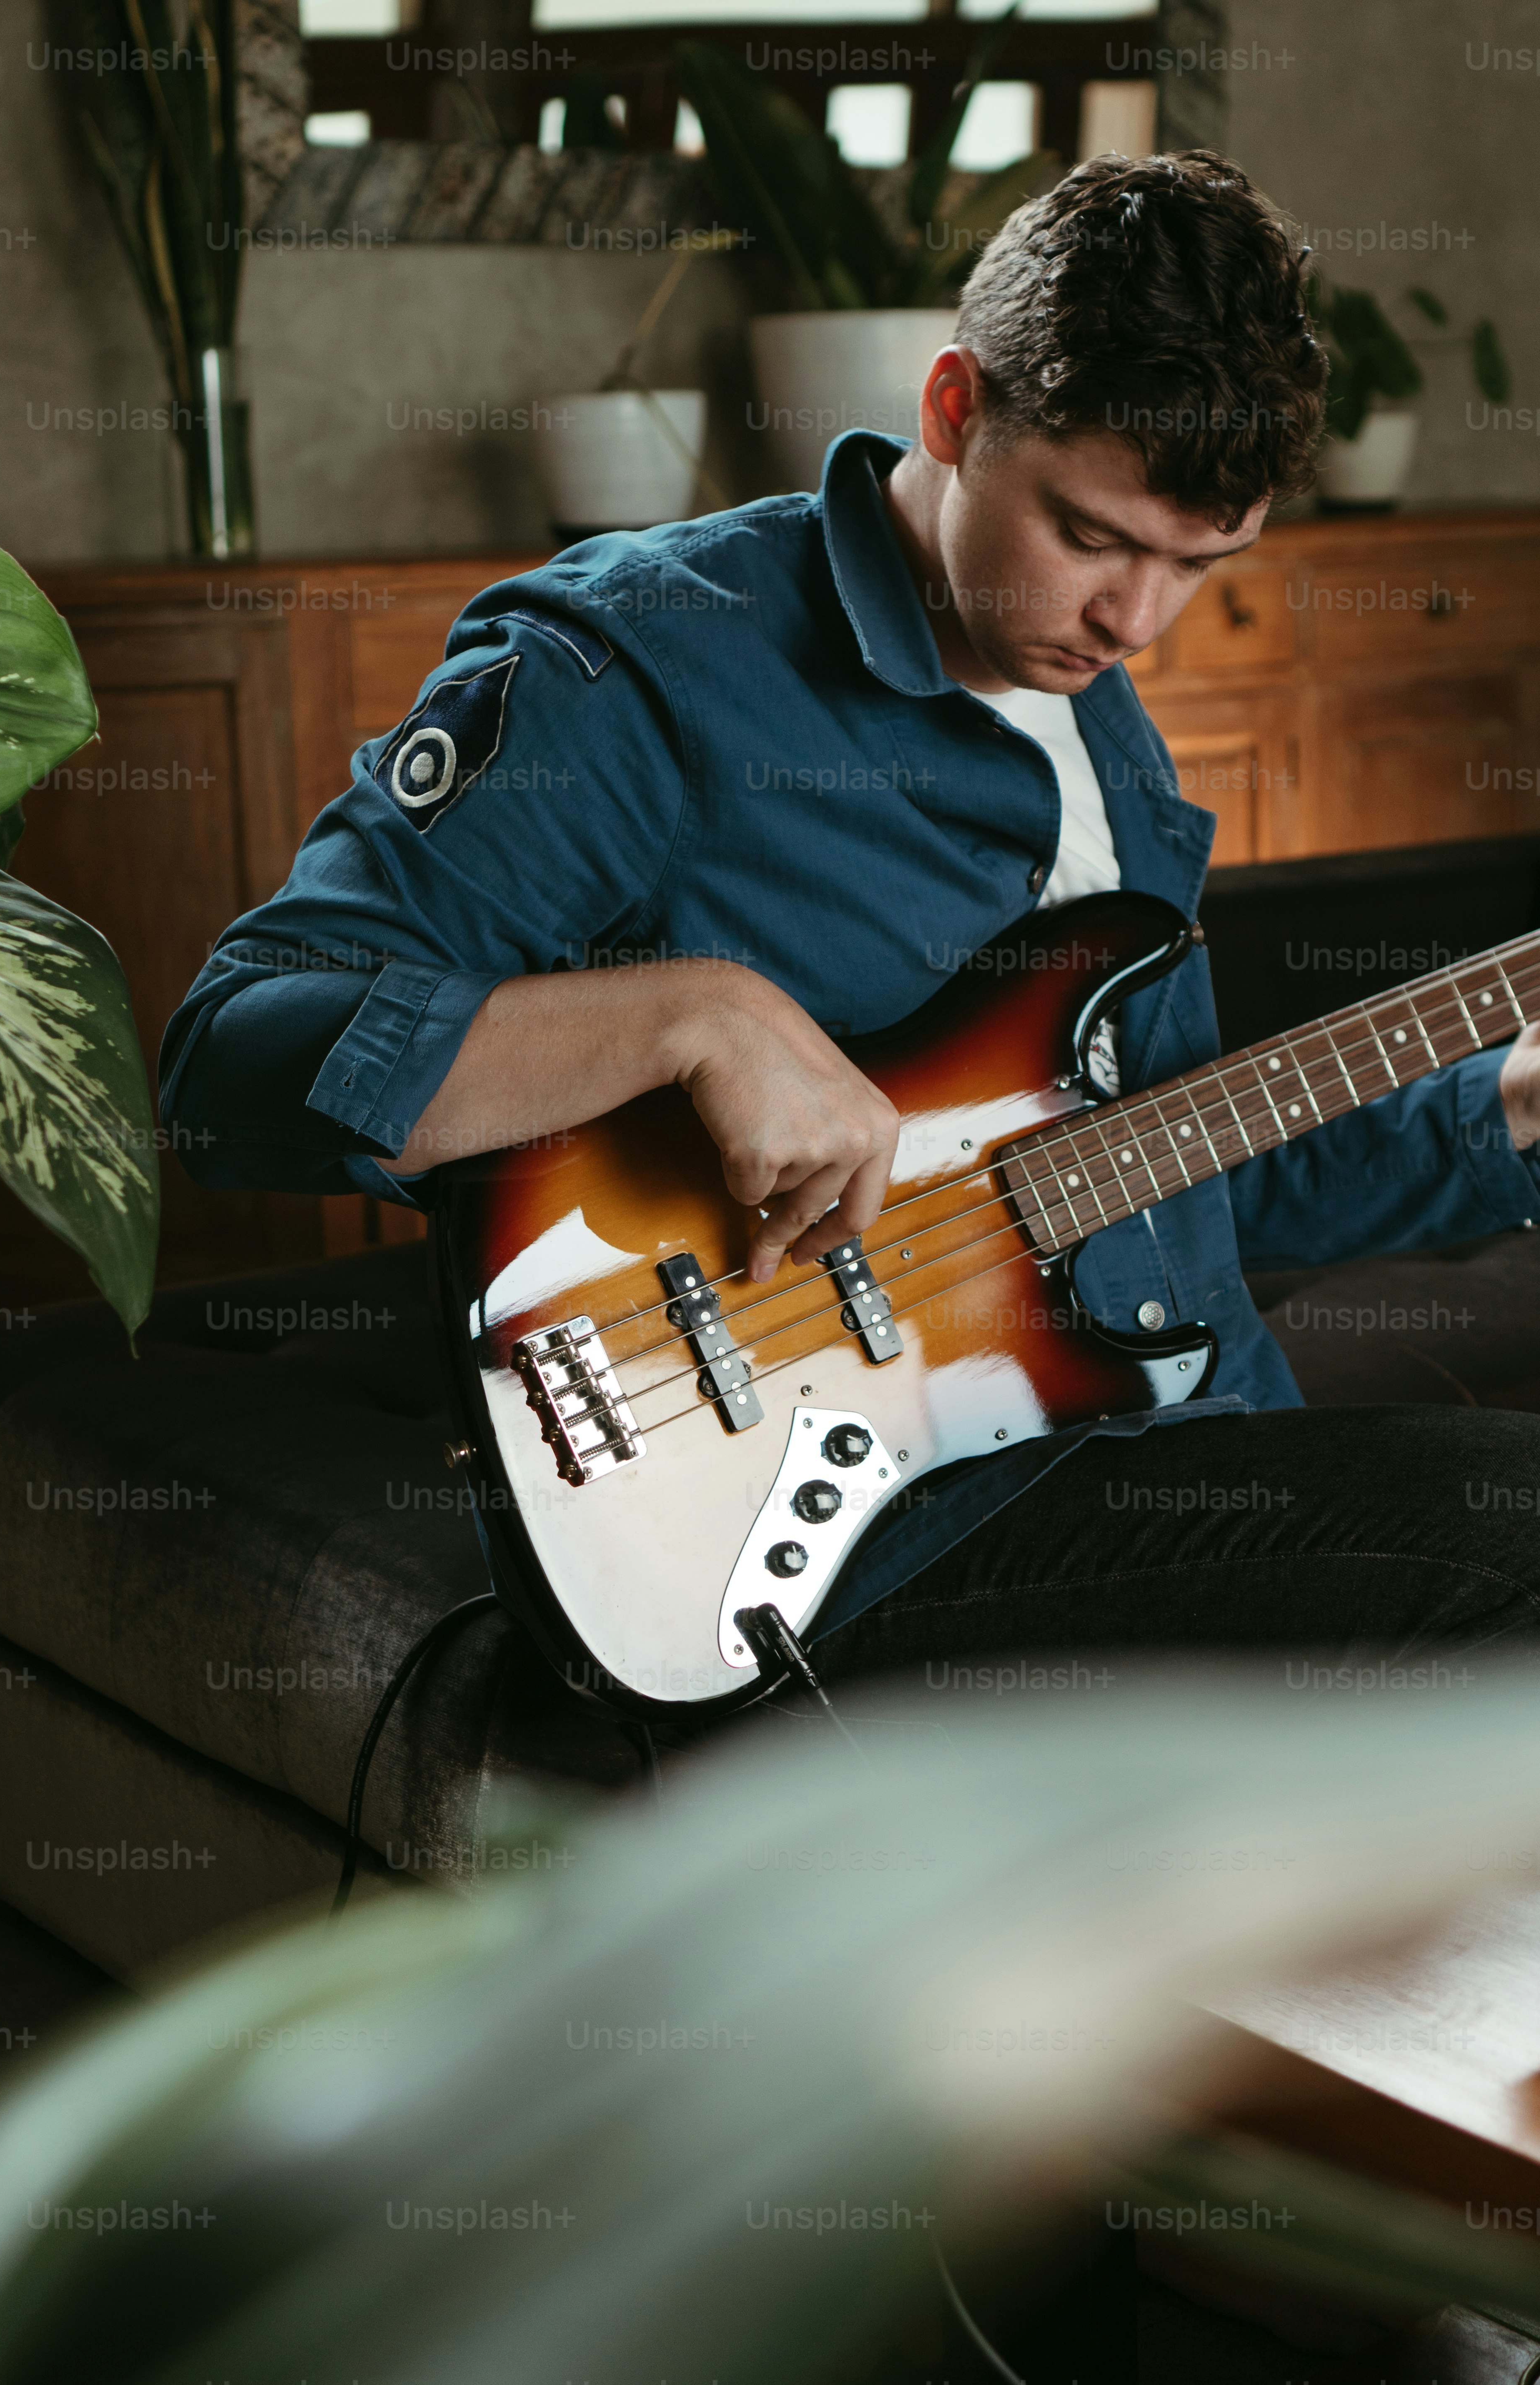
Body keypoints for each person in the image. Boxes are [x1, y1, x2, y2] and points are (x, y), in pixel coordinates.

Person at [162, 150, 1540, 1680]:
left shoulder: (1103, 727)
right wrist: (694, 1017)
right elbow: (231, 1068)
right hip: (863, 1525)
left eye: (1197, 565)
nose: (1133, 620)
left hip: (1175, 1448)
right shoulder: (641, 664)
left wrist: (1500, 1110)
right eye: (1090, 537)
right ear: (954, 410)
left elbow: (1163, 1179)